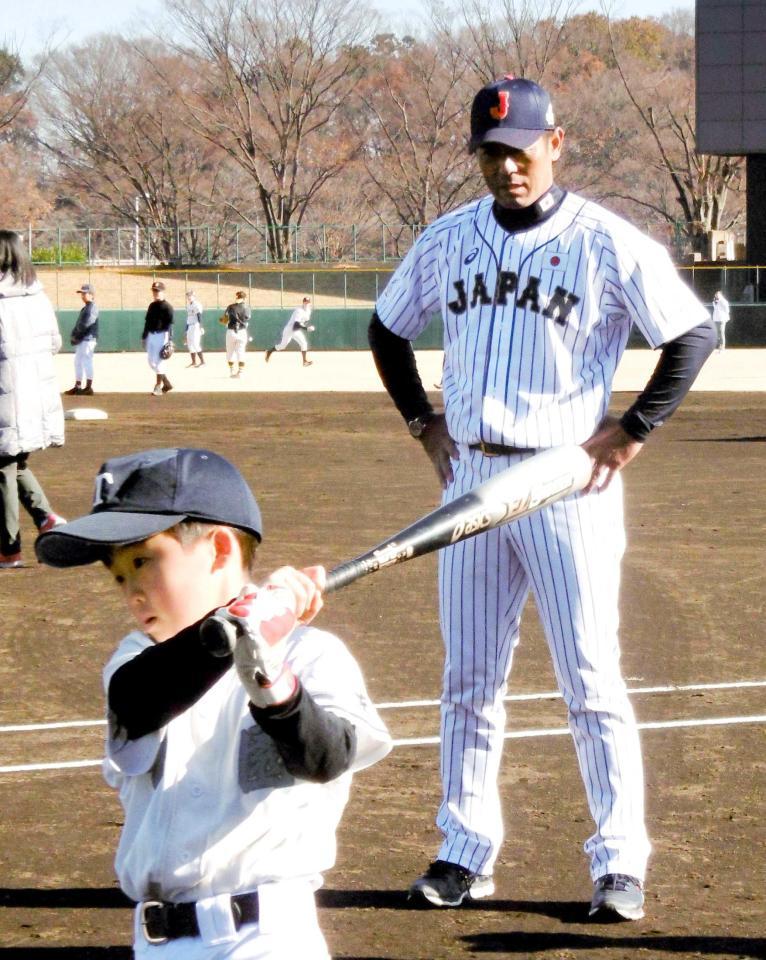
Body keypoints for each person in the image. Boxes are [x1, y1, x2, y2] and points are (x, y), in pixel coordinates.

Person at [368, 76, 716, 922]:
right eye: (491, 153)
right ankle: (463, 850)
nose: (506, 167)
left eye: (519, 151)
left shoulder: (604, 239)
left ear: (554, 144)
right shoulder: (448, 239)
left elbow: (691, 332)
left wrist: (631, 429)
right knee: (469, 678)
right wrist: (425, 424)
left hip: (568, 477)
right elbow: (386, 326)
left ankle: (618, 861)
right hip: (473, 477)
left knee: (591, 676)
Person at [35, 446, 392, 959]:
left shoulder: (313, 653)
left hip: (268, 937)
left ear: (220, 549)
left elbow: (326, 757)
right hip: (157, 943)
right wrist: (243, 622)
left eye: (142, 561)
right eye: (118, 575)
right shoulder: (137, 660)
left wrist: (276, 685)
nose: (131, 591)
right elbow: (140, 701)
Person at [0, 230, 66, 568]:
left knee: (2, 469)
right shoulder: (37, 295)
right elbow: (55, 343)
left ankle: (9, 548)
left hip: (5, 397)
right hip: (34, 395)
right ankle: (46, 518)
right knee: (16, 463)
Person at [64, 283, 99, 395]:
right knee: (78, 362)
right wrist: (75, 335)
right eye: (82, 293)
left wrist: (77, 335)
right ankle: (78, 386)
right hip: (83, 339)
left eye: (85, 293)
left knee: (86, 361)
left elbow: (86, 324)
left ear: (91, 294)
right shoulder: (86, 308)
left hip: (88, 339)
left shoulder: (92, 307)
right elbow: (80, 324)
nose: (82, 295)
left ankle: (88, 387)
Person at [141, 280, 175, 396]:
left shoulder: (168, 307)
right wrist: (144, 336)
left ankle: (158, 386)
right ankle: (167, 383)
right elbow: (147, 322)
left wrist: (170, 339)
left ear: (163, 292)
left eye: (158, 291)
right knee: (151, 362)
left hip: (162, 335)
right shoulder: (152, 305)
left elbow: (170, 325)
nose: (156, 293)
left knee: (159, 362)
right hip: (151, 335)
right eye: (154, 291)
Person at [265, 297, 315, 366]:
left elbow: (304, 321)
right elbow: (296, 324)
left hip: (296, 331)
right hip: (289, 329)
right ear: (303, 303)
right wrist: (306, 328)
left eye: (308, 302)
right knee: (282, 346)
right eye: (305, 302)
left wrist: (304, 326)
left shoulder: (308, 311)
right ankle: (269, 351)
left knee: (304, 343)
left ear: (310, 303)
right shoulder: (299, 310)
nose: (306, 303)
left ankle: (304, 361)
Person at [223, 290, 251, 378]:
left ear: (236, 297)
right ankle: (241, 372)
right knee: (241, 352)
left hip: (231, 331)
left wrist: (223, 321)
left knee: (230, 352)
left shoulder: (230, 307)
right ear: (244, 298)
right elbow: (247, 319)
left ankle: (231, 371)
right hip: (242, 332)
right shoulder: (247, 308)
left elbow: (224, 320)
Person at [185, 290, 205, 367]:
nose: (189, 297)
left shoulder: (197, 304)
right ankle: (194, 362)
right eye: (188, 296)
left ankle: (203, 362)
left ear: (194, 296)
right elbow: (188, 318)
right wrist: (186, 330)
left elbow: (199, 316)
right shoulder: (188, 306)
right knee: (189, 344)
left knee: (196, 344)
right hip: (190, 326)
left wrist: (201, 326)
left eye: (190, 296)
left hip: (196, 326)